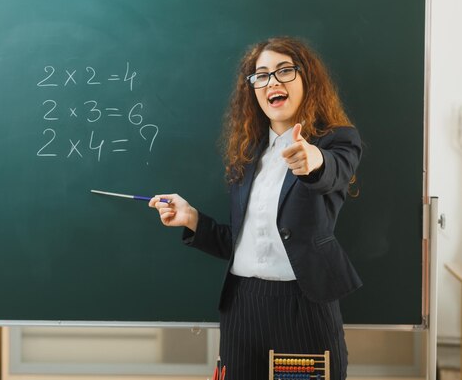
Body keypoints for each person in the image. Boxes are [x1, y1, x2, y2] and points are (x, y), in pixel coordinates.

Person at [149, 36, 362, 380]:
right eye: (261, 75)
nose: (272, 82)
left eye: (284, 71)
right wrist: (191, 220)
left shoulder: (337, 140)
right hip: (242, 303)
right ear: (253, 89)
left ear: (307, 79)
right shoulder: (249, 155)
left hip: (302, 304)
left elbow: (333, 172)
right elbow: (243, 242)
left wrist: (313, 160)